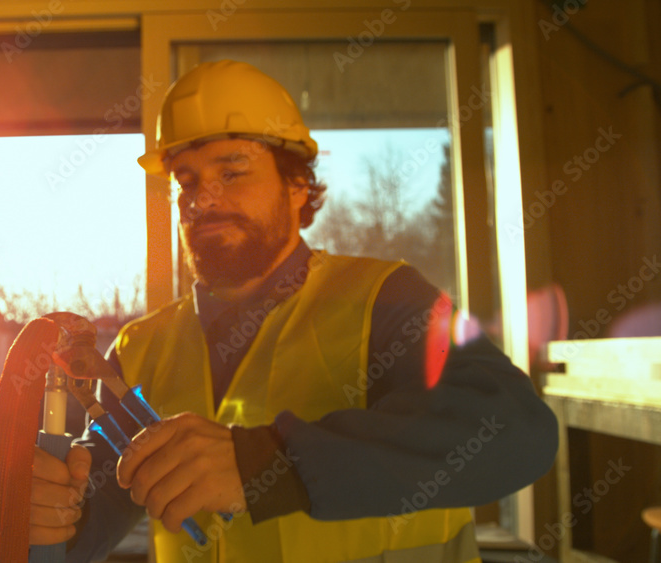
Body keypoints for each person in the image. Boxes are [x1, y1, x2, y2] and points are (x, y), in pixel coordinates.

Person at [28, 60, 559, 563]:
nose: (203, 199)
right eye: (186, 180)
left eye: (232, 172)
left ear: (297, 183)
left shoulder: (388, 298)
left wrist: (268, 465)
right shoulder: (139, 348)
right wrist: (52, 519)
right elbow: (93, 506)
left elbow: (516, 429)